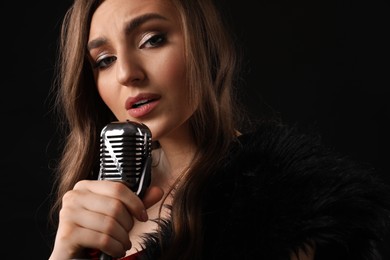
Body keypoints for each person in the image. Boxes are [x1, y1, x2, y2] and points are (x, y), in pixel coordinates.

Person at [47, 0, 390, 259]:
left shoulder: (281, 200)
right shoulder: (98, 199)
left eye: (151, 39)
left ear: (204, 45)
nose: (126, 74)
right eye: (104, 61)